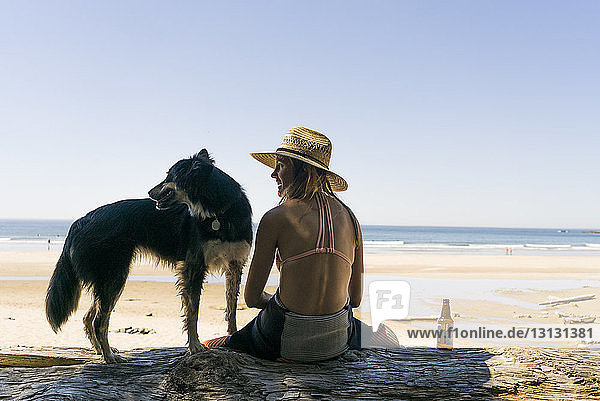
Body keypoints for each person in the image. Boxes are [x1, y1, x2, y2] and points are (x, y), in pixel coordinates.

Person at [204, 126, 398, 362]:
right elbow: (354, 300)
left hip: (286, 340)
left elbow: (252, 299)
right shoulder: (351, 219)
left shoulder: (276, 217)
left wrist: (278, 301)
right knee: (385, 335)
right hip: (336, 342)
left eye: (281, 165)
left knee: (214, 344)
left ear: (301, 169)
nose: (274, 174)